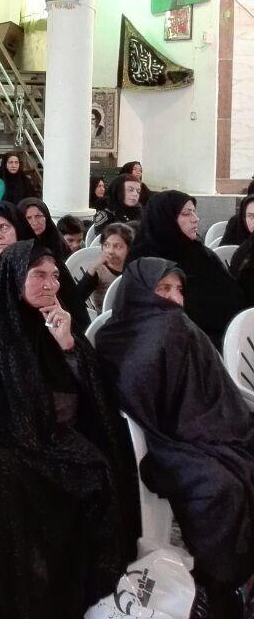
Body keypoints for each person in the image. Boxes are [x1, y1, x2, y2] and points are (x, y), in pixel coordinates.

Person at [0, 241, 136, 619]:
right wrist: (33, 433)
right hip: (4, 440)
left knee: (100, 465)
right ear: (15, 279)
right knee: (21, 479)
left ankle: (86, 582)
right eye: (38, 276)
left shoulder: (54, 321)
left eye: (54, 276)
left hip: (51, 434)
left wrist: (67, 346)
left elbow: (90, 388)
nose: (51, 284)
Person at [97, 258, 254, 619]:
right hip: (165, 440)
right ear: (138, 293)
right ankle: (222, 580)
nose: (174, 298)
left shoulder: (182, 329)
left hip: (211, 429)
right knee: (221, 487)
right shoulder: (117, 338)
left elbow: (214, 390)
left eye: (179, 290)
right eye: (163, 289)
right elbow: (137, 397)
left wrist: (218, 429)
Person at [129, 191, 248, 347]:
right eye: (186, 213)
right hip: (173, 341)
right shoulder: (143, 259)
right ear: (165, 218)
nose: (195, 218)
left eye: (194, 212)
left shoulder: (199, 252)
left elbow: (233, 294)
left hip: (227, 334)